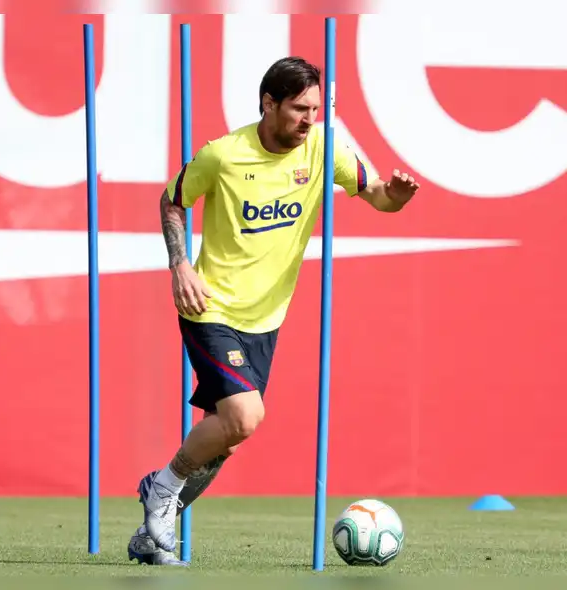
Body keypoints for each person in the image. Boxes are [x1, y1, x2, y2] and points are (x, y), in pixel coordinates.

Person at [127, 56, 421, 567]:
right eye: (299, 109)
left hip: (266, 319)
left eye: (316, 108)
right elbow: (173, 201)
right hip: (210, 304)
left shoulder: (325, 149)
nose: (310, 119)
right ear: (269, 104)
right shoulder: (222, 155)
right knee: (245, 416)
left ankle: (154, 533)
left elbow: (376, 195)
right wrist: (180, 264)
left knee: (224, 437)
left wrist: (394, 197)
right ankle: (163, 486)